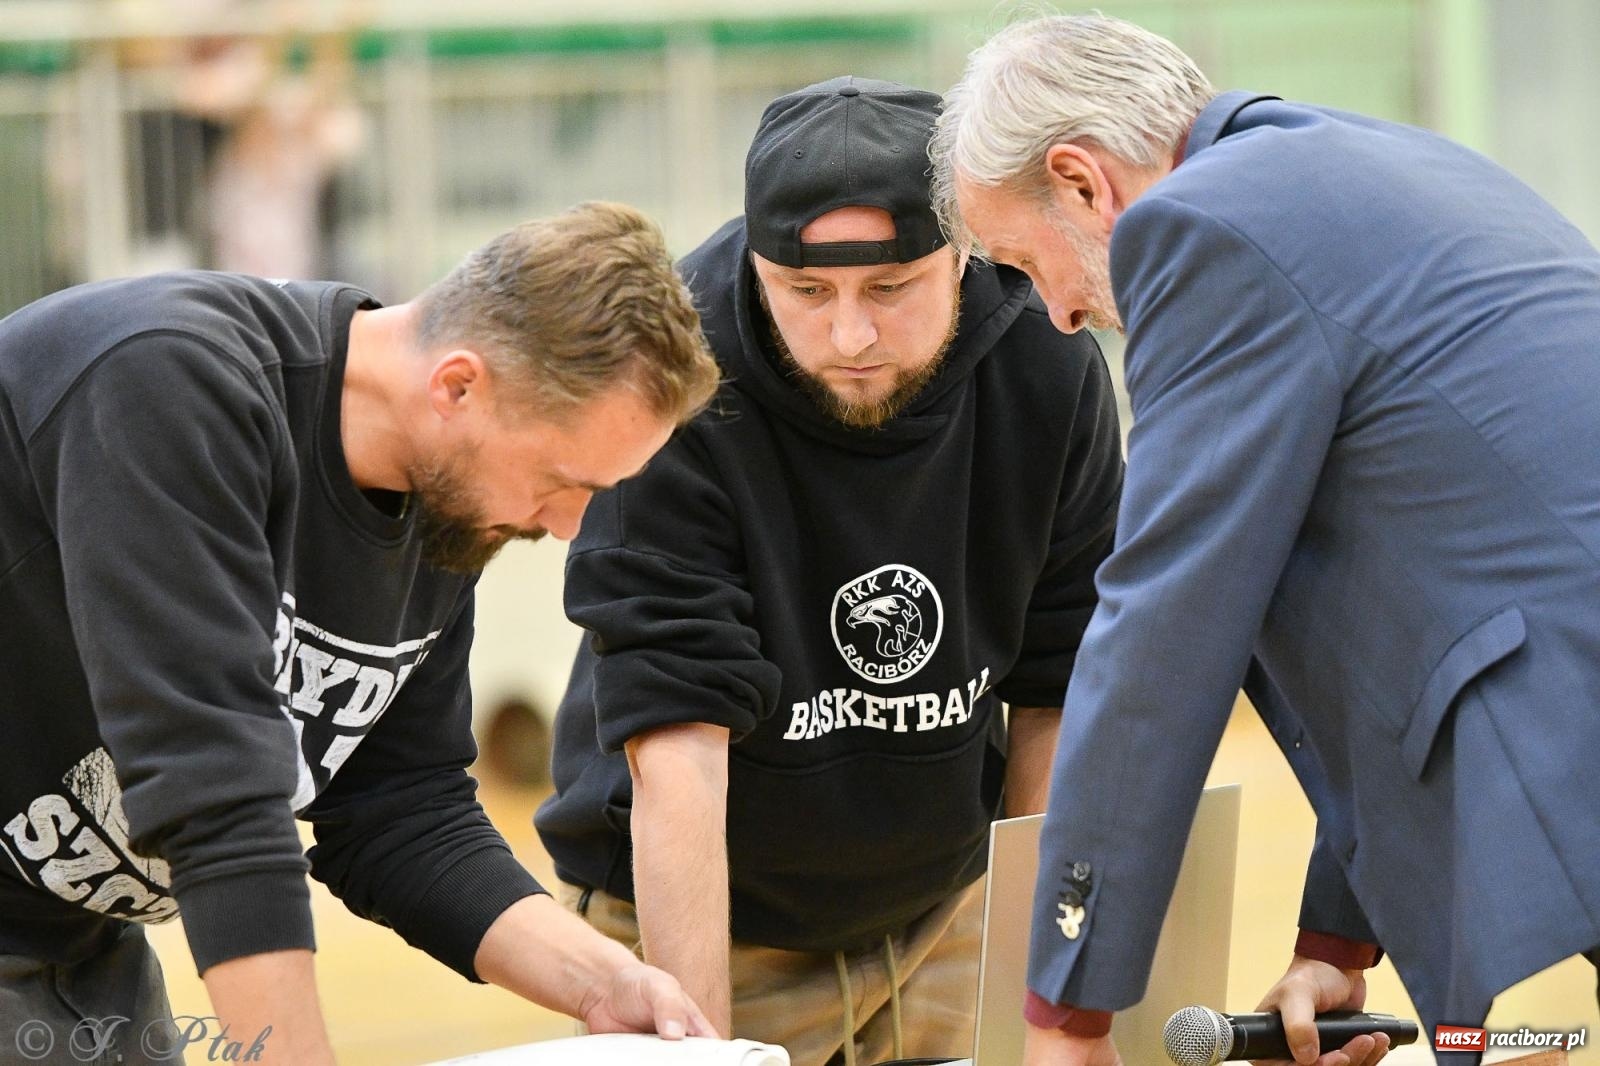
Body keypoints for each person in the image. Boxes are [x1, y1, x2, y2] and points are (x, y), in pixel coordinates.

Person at [929, 12, 1600, 1066]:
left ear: (1080, 182)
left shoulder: (1201, 230)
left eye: (1019, 261)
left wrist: (1068, 1011)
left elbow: (1164, 624)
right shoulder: (1367, 163)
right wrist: (1336, 936)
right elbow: (1393, 613)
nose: (1054, 315)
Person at [0, 201, 721, 1065]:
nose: (568, 525)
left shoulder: (448, 503)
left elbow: (402, 810)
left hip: (78, 946)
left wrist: (600, 978)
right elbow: (213, 790)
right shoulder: (170, 381)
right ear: (458, 384)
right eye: (560, 479)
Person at [534, 77, 1124, 1066]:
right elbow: (676, 746)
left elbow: (1059, 693)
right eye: (804, 292)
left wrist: (1046, 1001)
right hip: (700, 924)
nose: (849, 336)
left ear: (963, 250)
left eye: (891, 289)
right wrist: (702, 1049)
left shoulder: (1046, 360)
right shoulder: (676, 377)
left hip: (946, 912)